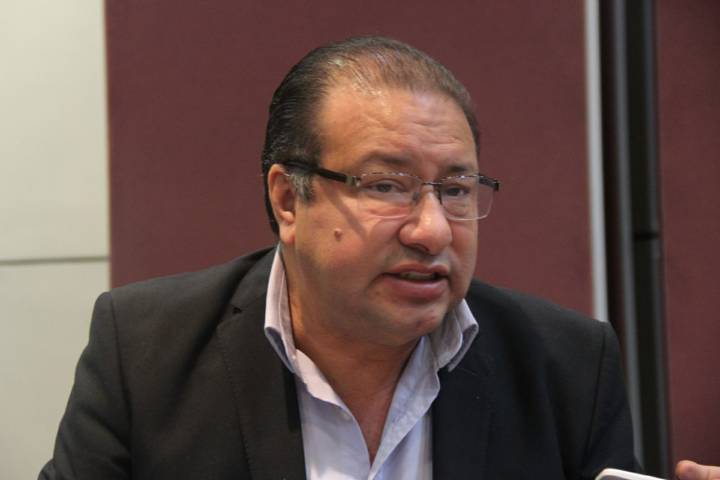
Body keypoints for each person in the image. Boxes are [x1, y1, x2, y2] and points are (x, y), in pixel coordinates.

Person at [40, 36, 718, 480]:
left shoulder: (567, 367)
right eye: (386, 186)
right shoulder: (146, 352)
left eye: (456, 190)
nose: (432, 230)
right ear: (288, 200)